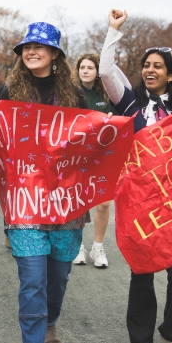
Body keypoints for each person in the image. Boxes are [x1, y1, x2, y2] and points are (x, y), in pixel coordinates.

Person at [0, 21, 86, 343]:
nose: (31, 51)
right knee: (33, 280)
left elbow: (94, 140)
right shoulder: (10, 90)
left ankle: (51, 321)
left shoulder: (74, 92)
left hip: (66, 202)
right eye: (26, 47)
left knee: (58, 277)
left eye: (40, 46)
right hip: (24, 200)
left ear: (55, 53)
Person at [98, 9, 172, 343]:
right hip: (141, 202)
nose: (149, 70)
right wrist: (113, 30)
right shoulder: (130, 103)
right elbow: (106, 71)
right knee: (143, 269)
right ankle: (140, 339)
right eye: (146, 65)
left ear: (171, 74)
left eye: (158, 66)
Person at [71, 52, 112, 269]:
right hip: (77, 157)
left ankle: (98, 247)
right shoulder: (70, 94)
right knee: (78, 201)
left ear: (98, 72)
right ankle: (78, 247)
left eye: (90, 68)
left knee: (103, 203)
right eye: (82, 67)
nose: (85, 71)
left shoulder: (107, 96)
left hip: (102, 156)